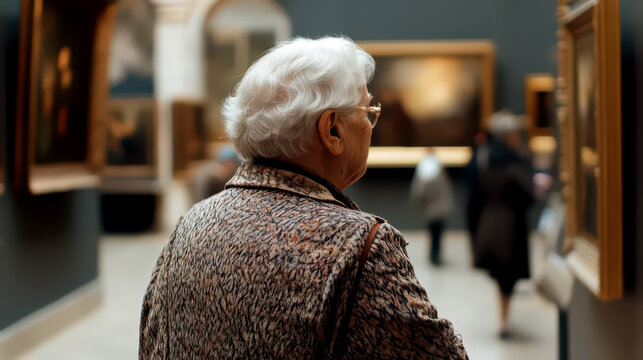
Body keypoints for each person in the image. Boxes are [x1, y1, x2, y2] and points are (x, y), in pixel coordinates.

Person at [140, 36, 468, 359]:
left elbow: (149, 346)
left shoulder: (188, 226)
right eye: (367, 109)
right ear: (332, 131)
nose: (371, 124)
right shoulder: (361, 248)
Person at [466, 111, 534, 338]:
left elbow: (473, 198)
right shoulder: (515, 161)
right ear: (509, 135)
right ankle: (504, 318)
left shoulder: (483, 159)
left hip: (489, 222)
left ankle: (503, 317)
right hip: (511, 225)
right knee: (508, 275)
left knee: (502, 274)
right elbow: (528, 194)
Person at [410, 152, 454, 265]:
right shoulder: (437, 169)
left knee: (434, 233)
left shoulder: (426, 170)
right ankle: (435, 255)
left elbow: (419, 191)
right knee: (437, 234)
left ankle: (434, 255)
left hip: (431, 208)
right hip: (438, 208)